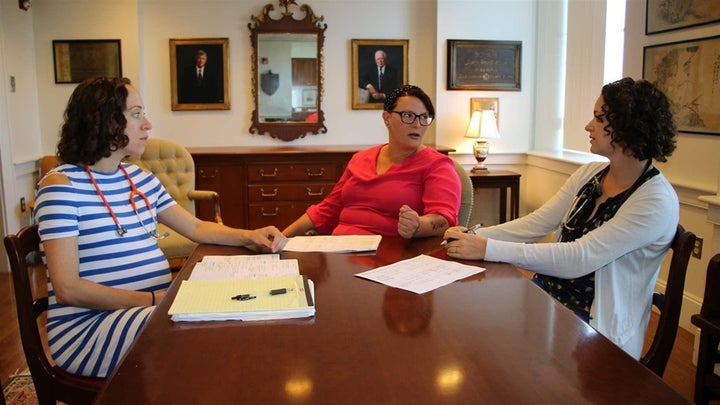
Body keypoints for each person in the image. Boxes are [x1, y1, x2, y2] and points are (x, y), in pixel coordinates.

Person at [34, 77, 286, 378]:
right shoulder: (60, 187)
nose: (148, 124)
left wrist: (249, 235)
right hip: (90, 328)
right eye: (136, 114)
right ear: (104, 120)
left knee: (235, 314)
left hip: (148, 312)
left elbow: (195, 227)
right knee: (211, 335)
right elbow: (68, 289)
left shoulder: (138, 178)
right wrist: (156, 300)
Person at [443, 77, 679, 359]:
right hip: (547, 302)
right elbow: (538, 223)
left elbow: (580, 258)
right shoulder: (590, 173)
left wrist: (488, 249)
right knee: (469, 333)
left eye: (599, 118)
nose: (588, 126)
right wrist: (476, 236)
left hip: (597, 331)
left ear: (629, 127)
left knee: (490, 352)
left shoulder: (655, 201)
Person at [283, 84, 461, 238]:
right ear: (387, 118)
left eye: (424, 117)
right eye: (408, 115)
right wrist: (282, 238)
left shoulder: (437, 165)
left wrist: (418, 226)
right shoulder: (361, 158)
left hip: (391, 255)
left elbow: (444, 219)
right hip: (340, 249)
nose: (417, 124)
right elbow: (327, 210)